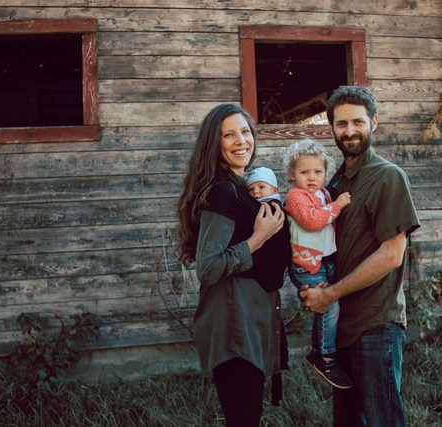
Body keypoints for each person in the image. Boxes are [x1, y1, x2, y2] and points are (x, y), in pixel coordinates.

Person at [299, 86, 420, 426]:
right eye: (341, 124)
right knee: (349, 421)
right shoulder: (333, 181)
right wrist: (312, 286)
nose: (349, 131)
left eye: (357, 122)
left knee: (382, 420)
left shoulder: (387, 177)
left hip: (375, 322)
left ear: (374, 123)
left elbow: (391, 255)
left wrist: (331, 294)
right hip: (341, 324)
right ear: (331, 127)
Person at [176, 103, 291, 426]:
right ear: (215, 143)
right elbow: (208, 268)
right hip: (233, 325)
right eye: (229, 134)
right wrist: (259, 237)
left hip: (247, 323)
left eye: (245, 131)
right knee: (243, 419)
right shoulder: (223, 194)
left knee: (245, 417)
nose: (241, 141)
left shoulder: (241, 189)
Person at [282, 139, 352, 390]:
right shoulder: (296, 196)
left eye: (318, 172)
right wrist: (339, 205)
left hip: (326, 261)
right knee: (328, 304)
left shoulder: (322, 193)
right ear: (292, 174)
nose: (312, 178)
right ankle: (323, 355)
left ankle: (327, 352)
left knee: (332, 304)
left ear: (325, 172)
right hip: (307, 264)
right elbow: (313, 222)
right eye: (304, 172)